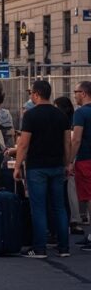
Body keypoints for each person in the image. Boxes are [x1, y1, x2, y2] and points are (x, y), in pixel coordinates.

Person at [14, 80, 71, 258]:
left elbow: (23, 144)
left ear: (37, 94)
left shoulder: (31, 116)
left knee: (38, 208)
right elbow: (67, 142)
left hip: (37, 167)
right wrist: (67, 163)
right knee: (59, 207)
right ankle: (64, 248)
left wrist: (17, 166)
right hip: (57, 166)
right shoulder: (61, 115)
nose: (30, 95)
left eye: (32, 92)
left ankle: (39, 248)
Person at [54, 96, 84, 236]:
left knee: (68, 191)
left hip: (69, 160)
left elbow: (72, 142)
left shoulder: (67, 121)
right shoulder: (72, 118)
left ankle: (74, 221)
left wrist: (69, 162)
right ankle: (75, 220)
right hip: (75, 159)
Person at [71, 81, 91, 251]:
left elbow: (76, 139)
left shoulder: (80, 113)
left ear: (83, 93)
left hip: (86, 159)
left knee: (89, 198)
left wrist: (70, 161)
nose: (74, 95)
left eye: (76, 91)